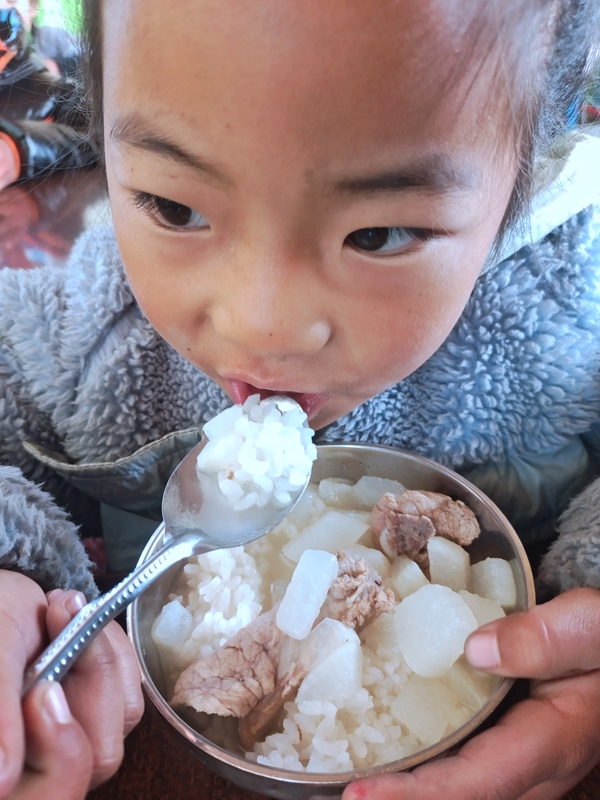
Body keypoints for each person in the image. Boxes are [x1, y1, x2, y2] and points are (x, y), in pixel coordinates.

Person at [1, 0, 600, 797]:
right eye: (176, 207)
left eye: (379, 234)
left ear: (528, 169)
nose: (263, 326)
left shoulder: (575, 304)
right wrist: (13, 573)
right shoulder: (84, 333)